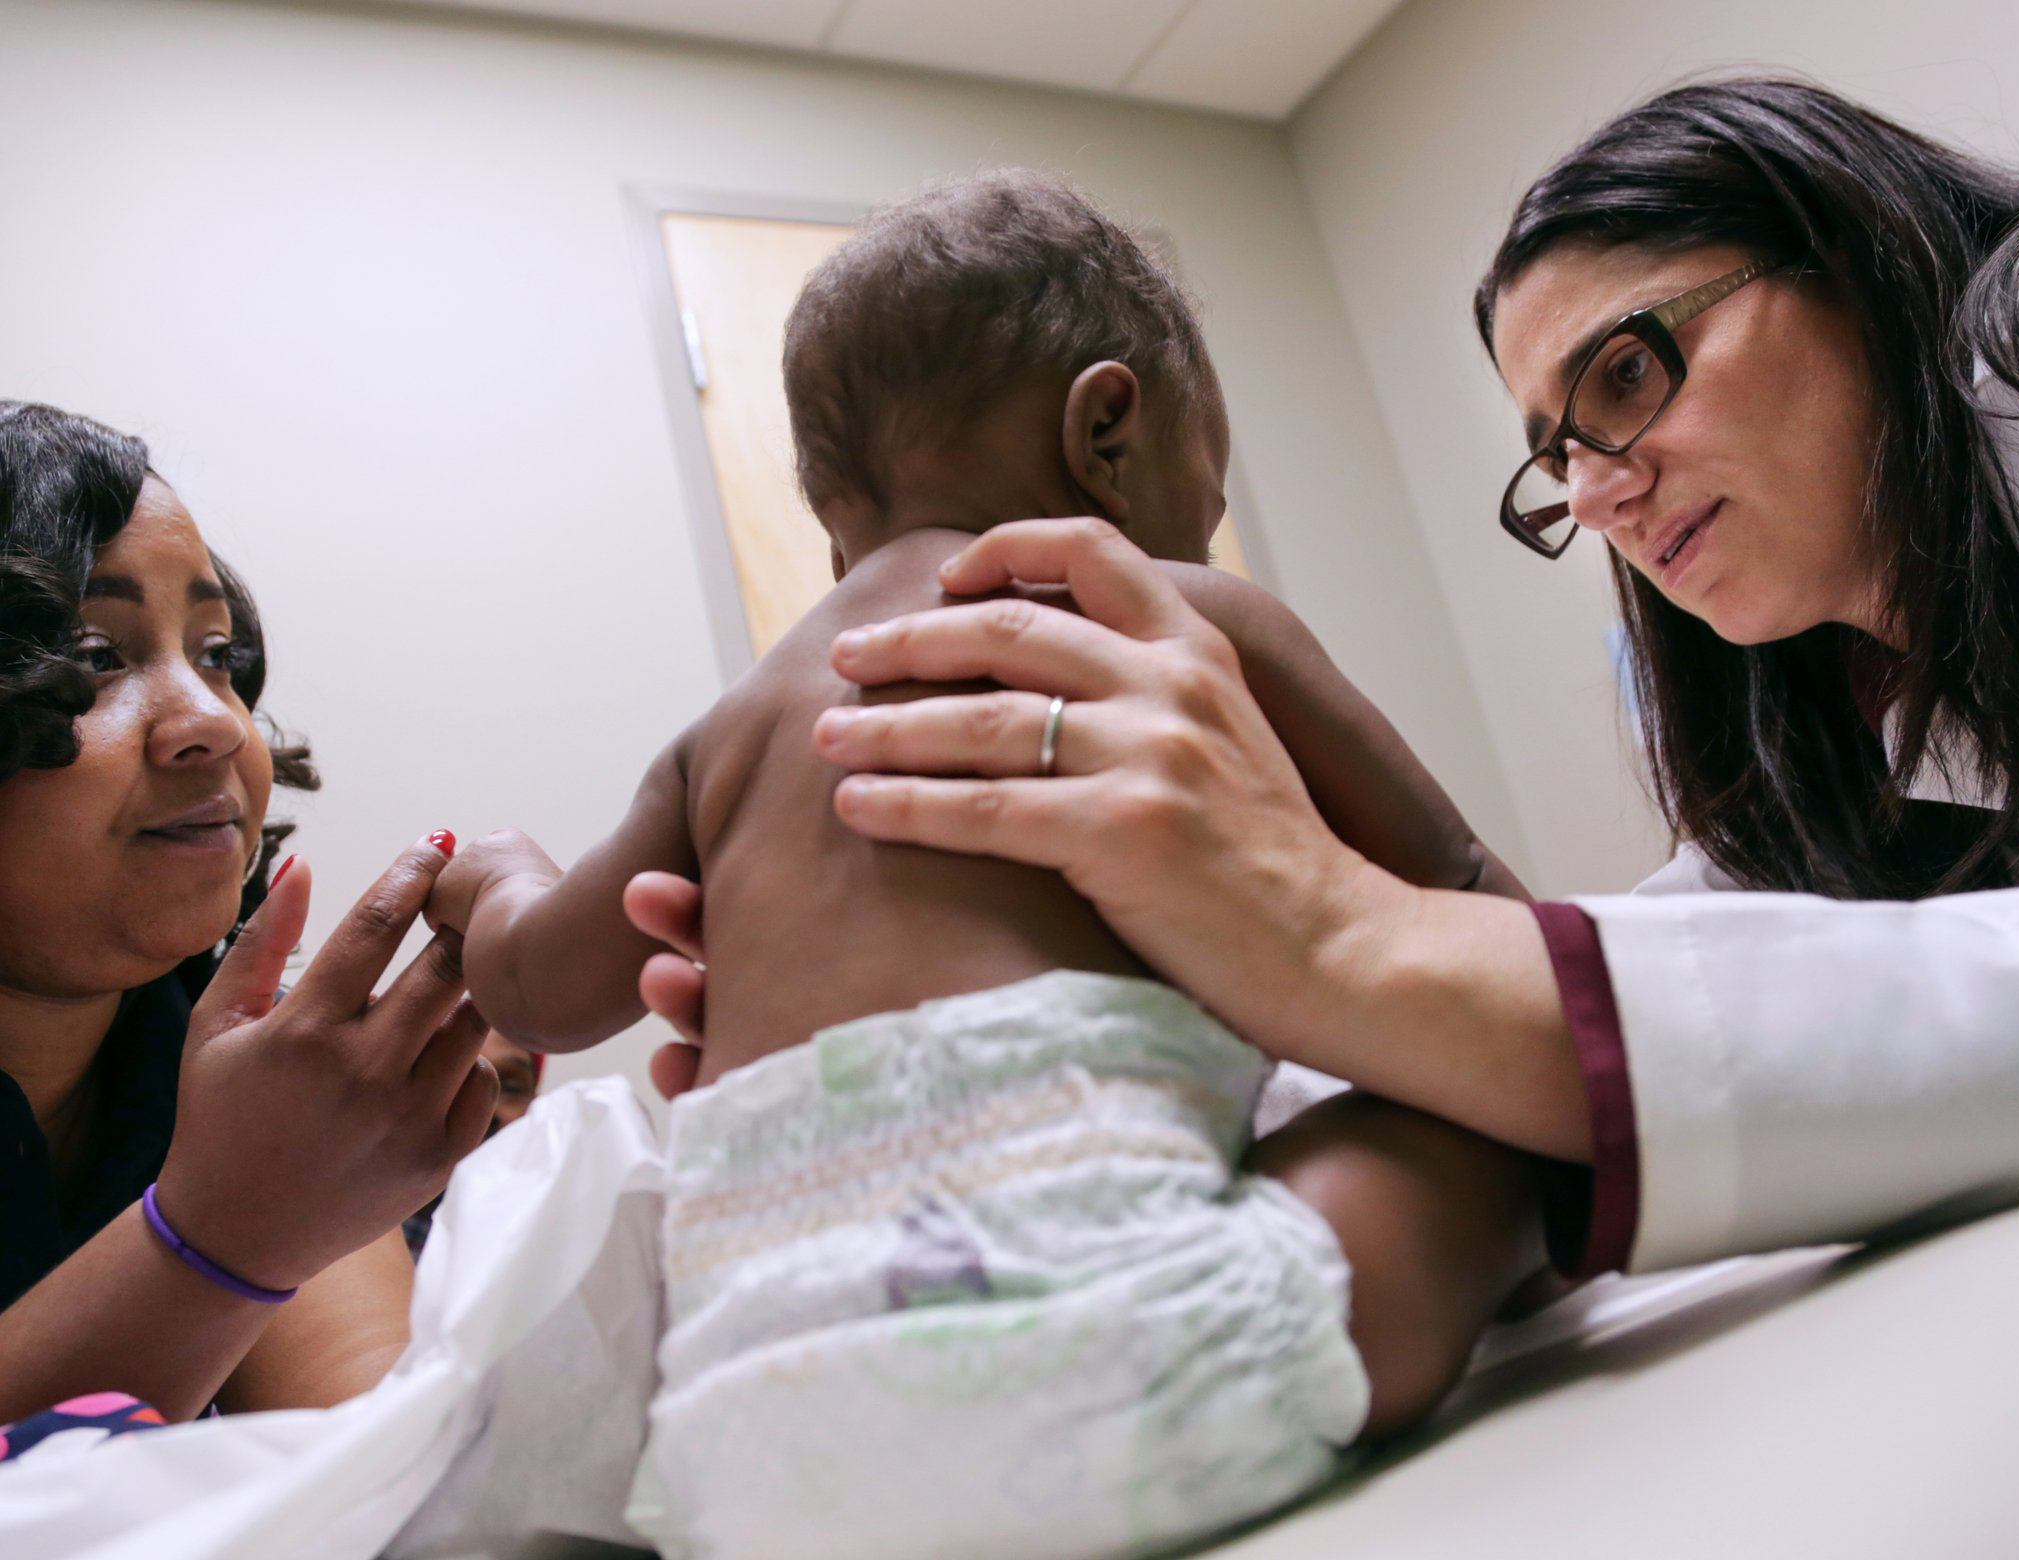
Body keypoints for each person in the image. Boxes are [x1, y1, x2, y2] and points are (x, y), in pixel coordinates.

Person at [678, 78, 2019, 1286]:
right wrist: (1122, 1045)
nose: (1599, 492)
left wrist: (1343, 943)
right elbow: (1708, 962)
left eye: (1632, 371)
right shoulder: (1839, 698)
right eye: (1558, 455)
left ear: (1854, 245)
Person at [427, 172, 1548, 1558]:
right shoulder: (1186, 616)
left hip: (761, 1456)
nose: (1203, 530)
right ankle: (1530, 1253)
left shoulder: (730, 733)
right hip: (1136, 1343)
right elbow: (1471, 909)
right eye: (1211, 486)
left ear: (837, 524)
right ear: (1108, 433)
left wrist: (492, 878)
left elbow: (540, 992)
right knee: (1479, 1111)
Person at [0, 402, 499, 1430]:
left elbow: (372, 1464)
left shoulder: (204, 1053)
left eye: (218, 655)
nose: (214, 725)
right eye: (96, 654)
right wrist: (222, 1234)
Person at [402, 1032, 544, 1260]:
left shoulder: (534, 1241)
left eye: (510, 1087)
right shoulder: (349, 1217)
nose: (482, 1108)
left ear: (532, 1108)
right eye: (453, 1075)